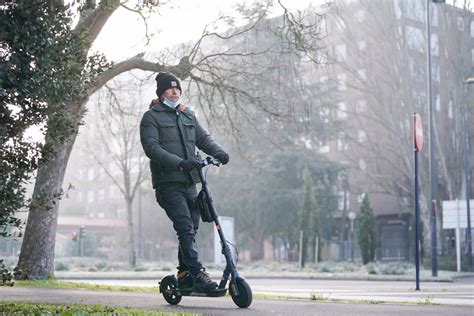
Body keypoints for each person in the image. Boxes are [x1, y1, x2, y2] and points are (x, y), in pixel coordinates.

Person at [140, 72, 229, 293]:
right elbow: (152, 148)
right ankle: (198, 273)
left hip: (190, 183)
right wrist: (180, 163)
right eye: (170, 89)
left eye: (177, 88)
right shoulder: (151, 118)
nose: (175, 91)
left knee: (193, 227)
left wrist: (219, 152)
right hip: (168, 183)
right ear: (161, 93)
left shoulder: (187, 115)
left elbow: (203, 138)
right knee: (185, 227)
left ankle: (184, 273)